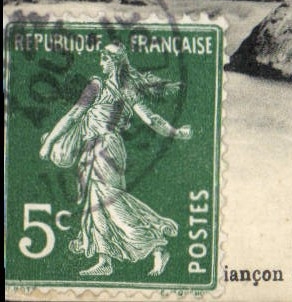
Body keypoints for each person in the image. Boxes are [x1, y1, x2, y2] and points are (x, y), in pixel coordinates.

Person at [39, 42, 192, 279]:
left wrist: (49, 143)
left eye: (103, 57)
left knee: (106, 202)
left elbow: (73, 116)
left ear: (112, 62)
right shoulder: (124, 90)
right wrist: (176, 132)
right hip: (109, 148)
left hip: (102, 148)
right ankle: (110, 257)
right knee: (102, 201)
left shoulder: (97, 86)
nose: (100, 60)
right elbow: (150, 119)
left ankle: (153, 243)